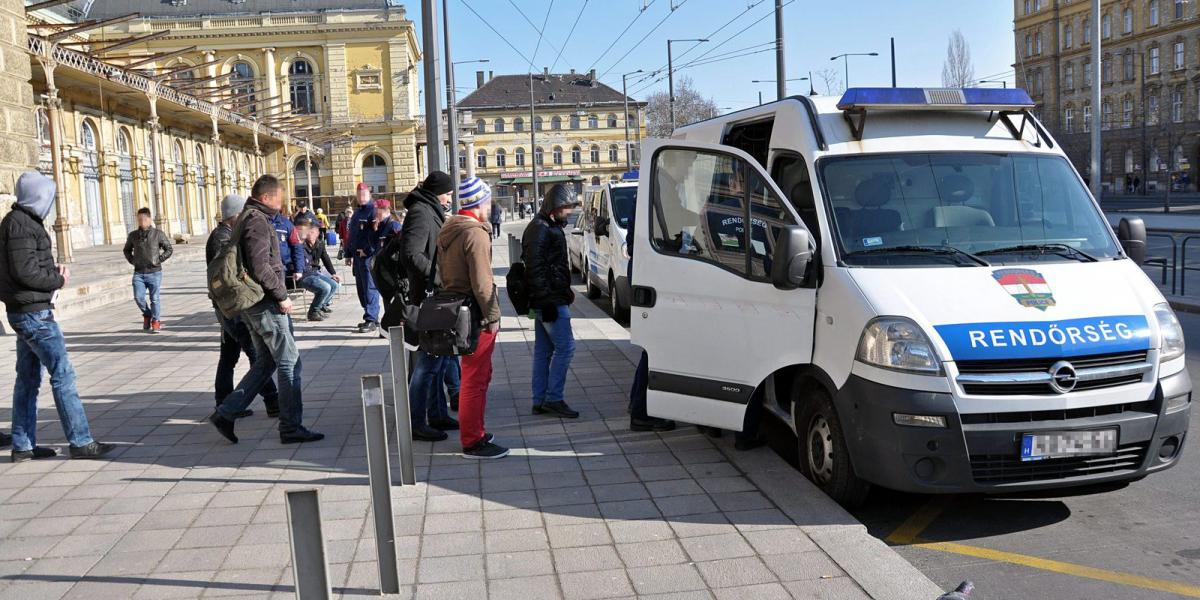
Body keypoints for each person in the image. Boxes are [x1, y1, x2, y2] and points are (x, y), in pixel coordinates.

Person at [0, 171, 112, 461]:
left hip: (24, 310)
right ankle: (81, 441)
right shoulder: (22, 226)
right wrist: (57, 279)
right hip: (35, 314)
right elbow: (25, 272)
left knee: (27, 380)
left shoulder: (18, 223)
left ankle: (23, 446)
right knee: (62, 375)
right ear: (37, 196)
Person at [208, 175, 324, 445]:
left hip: (253, 304)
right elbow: (261, 266)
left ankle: (226, 412)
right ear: (266, 197)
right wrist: (282, 296)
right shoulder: (258, 221)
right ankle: (291, 426)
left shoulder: (249, 217)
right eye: (279, 198)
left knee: (266, 362)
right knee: (289, 362)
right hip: (265, 304)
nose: (281, 203)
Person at [438, 177, 506, 459]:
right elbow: (482, 282)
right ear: (481, 202)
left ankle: (475, 429)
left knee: (473, 376)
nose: (490, 205)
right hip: (476, 313)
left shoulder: (450, 229)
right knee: (475, 379)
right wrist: (493, 315)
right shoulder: (475, 233)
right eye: (488, 200)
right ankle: (473, 440)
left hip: (459, 309)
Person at [206, 194, 280, 419]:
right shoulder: (223, 238)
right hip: (234, 310)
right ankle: (272, 402)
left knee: (228, 356)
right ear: (235, 215)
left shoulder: (223, 235)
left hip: (227, 307)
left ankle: (223, 401)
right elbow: (231, 276)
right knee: (257, 356)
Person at [400, 171, 459, 440]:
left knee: (439, 358)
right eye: (447, 192)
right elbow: (411, 253)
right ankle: (416, 422)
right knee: (427, 362)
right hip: (426, 296)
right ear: (437, 192)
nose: (450, 197)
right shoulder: (421, 212)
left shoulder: (429, 209)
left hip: (435, 295)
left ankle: (437, 414)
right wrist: (438, 277)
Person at [522, 184, 581, 419]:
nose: (569, 212)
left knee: (543, 351)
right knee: (566, 348)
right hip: (549, 300)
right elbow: (535, 268)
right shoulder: (540, 228)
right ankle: (553, 399)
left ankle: (540, 401)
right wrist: (547, 300)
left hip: (548, 298)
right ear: (555, 206)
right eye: (566, 207)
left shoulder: (547, 225)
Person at [625, 203, 675, 432]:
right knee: (655, 350)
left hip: (644, 274)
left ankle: (637, 405)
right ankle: (641, 413)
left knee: (649, 350)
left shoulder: (652, 193)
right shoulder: (660, 193)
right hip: (651, 278)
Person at [123, 207, 173, 333]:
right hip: (139, 272)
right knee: (138, 297)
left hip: (154, 272)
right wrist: (133, 261)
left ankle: (156, 321)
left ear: (150, 219)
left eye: (144, 219)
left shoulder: (158, 234)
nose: (142, 222)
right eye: (139, 219)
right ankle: (147, 314)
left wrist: (159, 259)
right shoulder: (133, 235)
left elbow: (169, 249)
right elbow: (126, 250)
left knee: (154, 298)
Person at [346, 183, 381, 334]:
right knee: (361, 289)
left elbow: (376, 235)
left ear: (369, 194)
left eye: (364, 194)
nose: (361, 197)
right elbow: (351, 235)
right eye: (359, 194)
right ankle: (369, 315)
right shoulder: (357, 213)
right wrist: (348, 253)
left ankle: (371, 319)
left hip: (367, 257)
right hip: (357, 257)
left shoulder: (373, 212)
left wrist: (367, 251)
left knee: (369, 288)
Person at [294, 214, 341, 322]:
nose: (311, 233)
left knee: (334, 284)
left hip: (314, 272)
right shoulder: (301, 244)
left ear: (318, 232)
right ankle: (313, 312)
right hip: (304, 275)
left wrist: (333, 273)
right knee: (325, 288)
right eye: (309, 231)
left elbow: (326, 258)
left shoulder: (319, 244)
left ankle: (320, 306)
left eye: (314, 231)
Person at [271, 209, 306, 293]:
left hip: (282, 267)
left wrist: (299, 269)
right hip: (262, 268)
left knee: (280, 296)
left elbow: (297, 247)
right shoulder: (257, 221)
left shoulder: (286, 223)